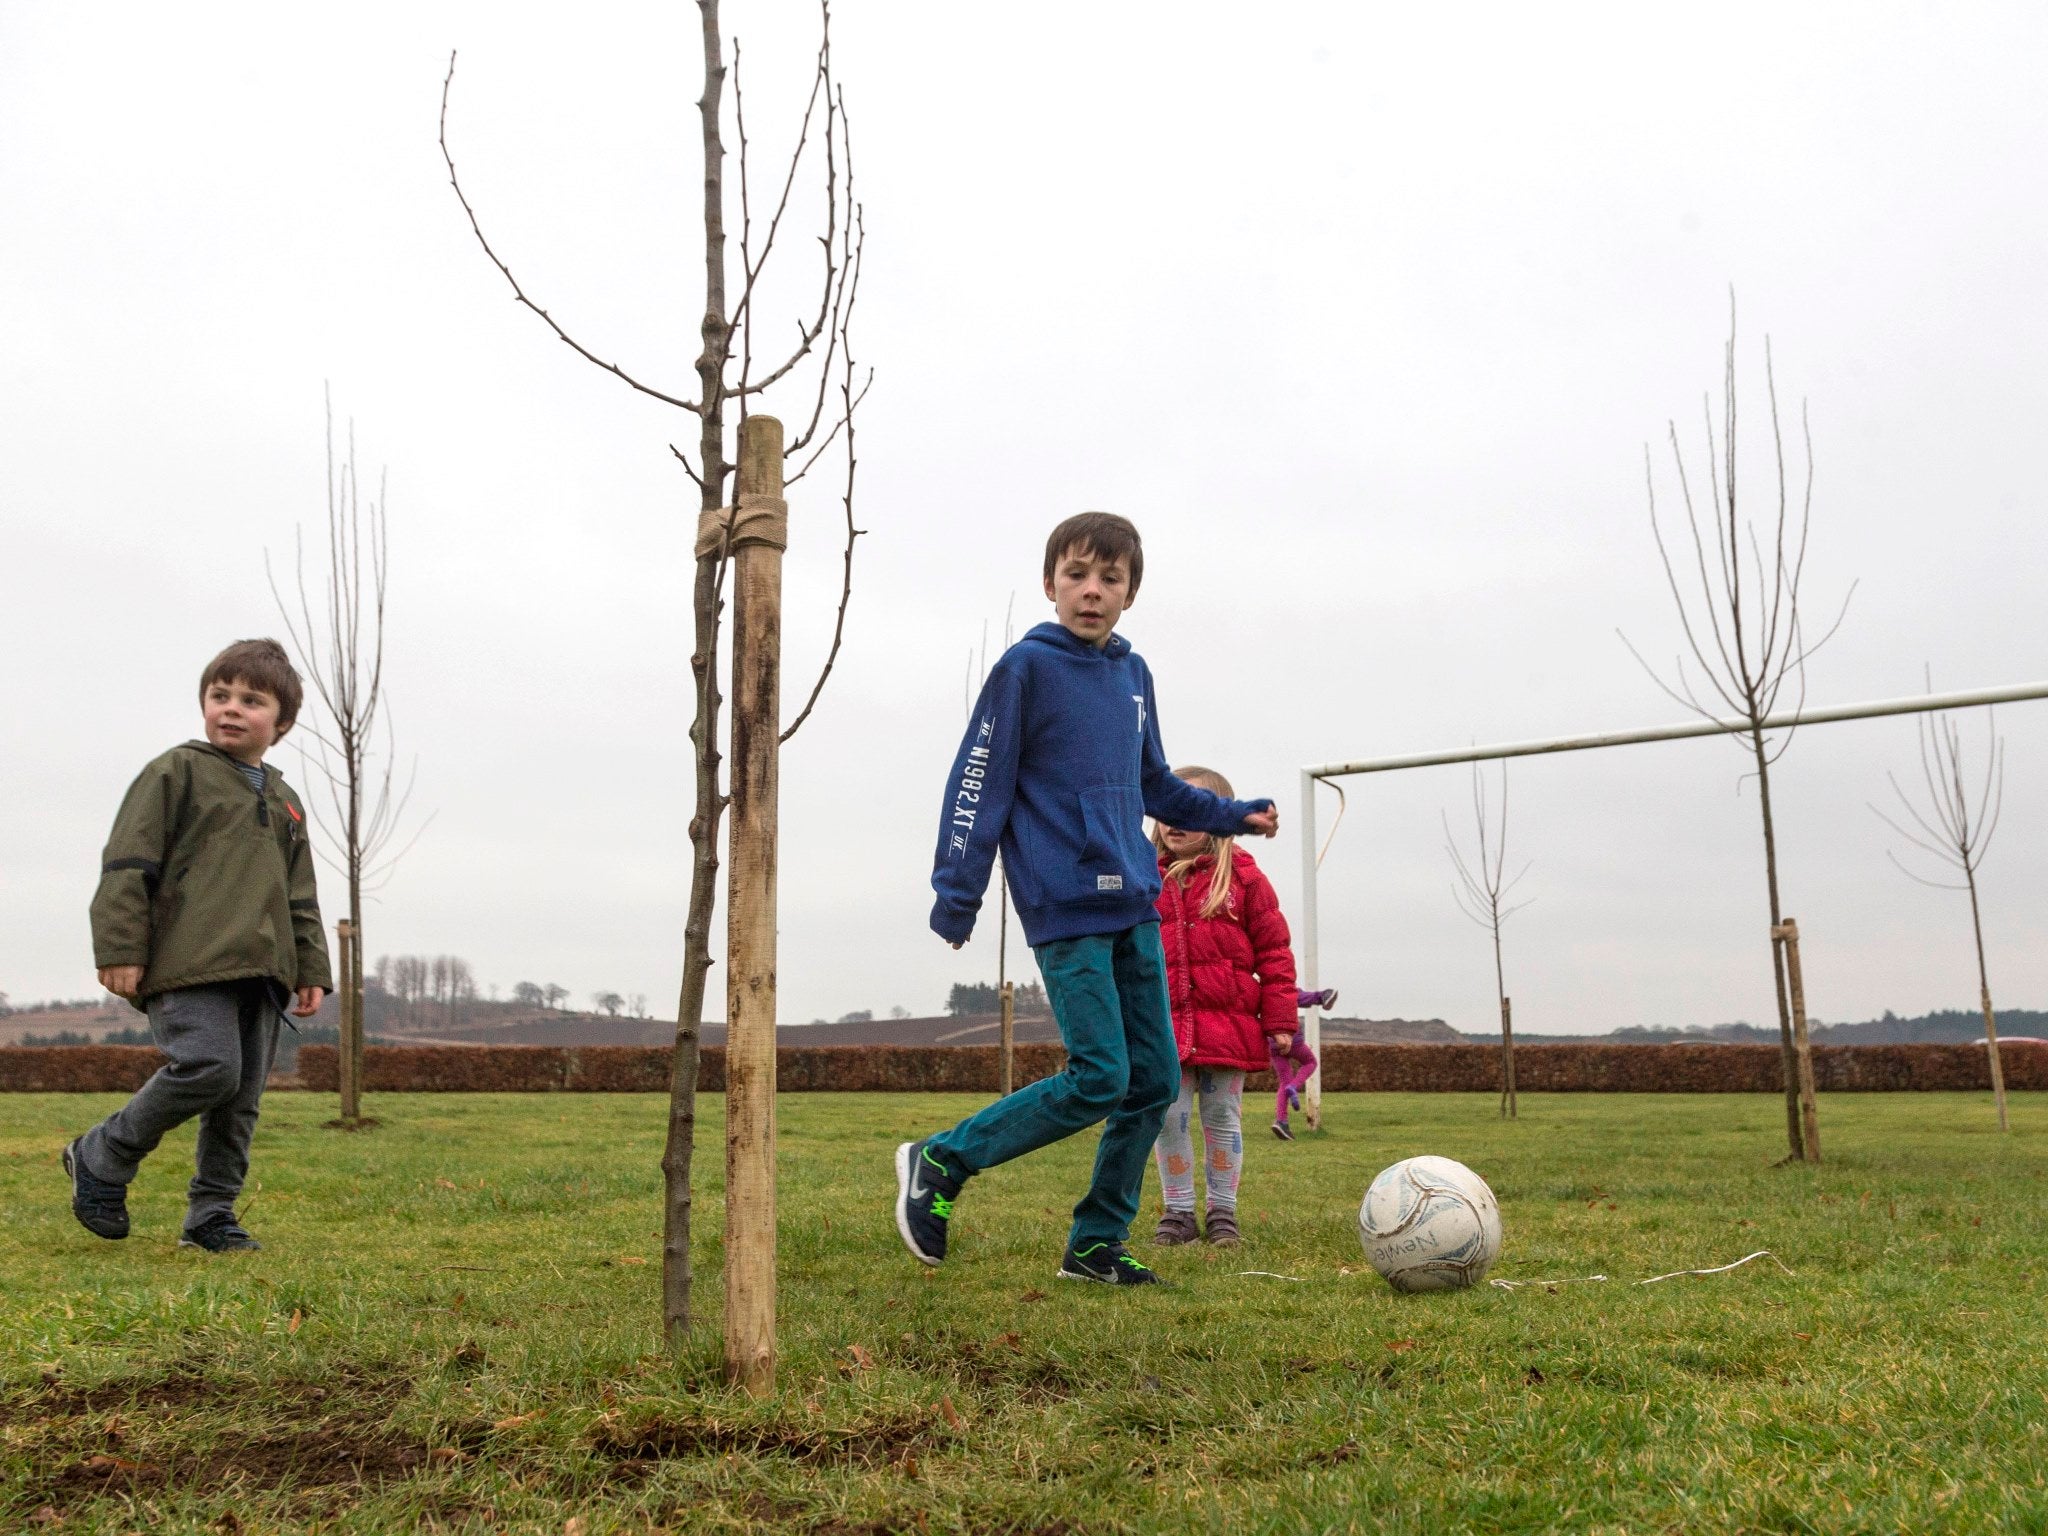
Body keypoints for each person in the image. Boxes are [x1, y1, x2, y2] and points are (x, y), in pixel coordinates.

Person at [895, 512, 1279, 1285]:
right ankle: (941, 1160)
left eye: (1110, 579)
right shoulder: (1025, 670)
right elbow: (978, 780)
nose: (1092, 591)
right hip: (1063, 900)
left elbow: (1157, 785)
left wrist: (1232, 816)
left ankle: (1097, 1242)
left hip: (1133, 898)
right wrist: (957, 891)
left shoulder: (1134, 678)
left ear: (1131, 593)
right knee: (1102, 1075)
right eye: (1077, 575)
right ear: (1050, 584)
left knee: (1155, 1082)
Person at [64, 639, 331, 1252]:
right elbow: (127, 863)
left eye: (251, 700)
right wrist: (119, 946)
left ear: (282, 723)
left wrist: (311, 965)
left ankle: (211, 1216)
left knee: (240, 1101)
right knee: (209, 1068)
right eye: (220, 696)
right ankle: (102, 1153)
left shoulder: (286, 802)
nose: (231, 709)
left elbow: (299, 894)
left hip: (262, 970)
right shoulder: (175, 772)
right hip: (187, 963)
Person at [1148, 768, 1299, 1245]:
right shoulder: (1140, 880)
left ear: (1217, 819)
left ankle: (1222, 1212)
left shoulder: (1245, 880)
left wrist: (1280, 1020)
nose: (1176, 821)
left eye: (1191, 810)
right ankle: (1177, 1211)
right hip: (1164, 1025)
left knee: (1222, 1118)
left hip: (1227, 1026)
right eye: (1169, 810)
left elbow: (1275, 953)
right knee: (1167, 1116)